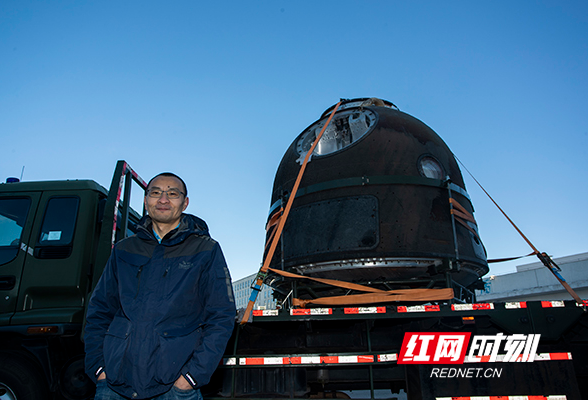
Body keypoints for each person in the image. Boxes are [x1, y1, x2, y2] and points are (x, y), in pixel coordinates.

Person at [84, 172, 236, 400]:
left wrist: (192, 377)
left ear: (185, 203)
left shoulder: (205, 249)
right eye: (155, 193)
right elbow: (100, 310)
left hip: (174, 387)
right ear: (146, 201)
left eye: (173, 194)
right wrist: (99, 369)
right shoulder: (125, 249)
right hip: (115, 386)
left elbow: (221, 315)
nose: (163, 199)